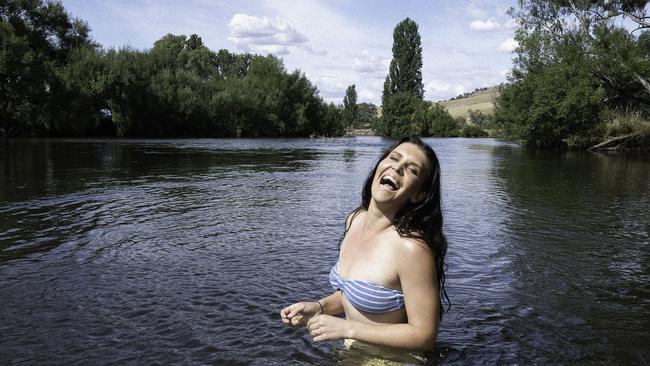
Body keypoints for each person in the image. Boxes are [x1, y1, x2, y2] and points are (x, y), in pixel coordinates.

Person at [280, 136, 448, 362]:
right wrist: (319, 307)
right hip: (351, 353)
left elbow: (424, 335)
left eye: (412, 170)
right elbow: (355, 293)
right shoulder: (355, 220)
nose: (397, 167)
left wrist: (347, 328)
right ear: (380, 165)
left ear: (418, 194)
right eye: (394, 158)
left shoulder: (411, 249)